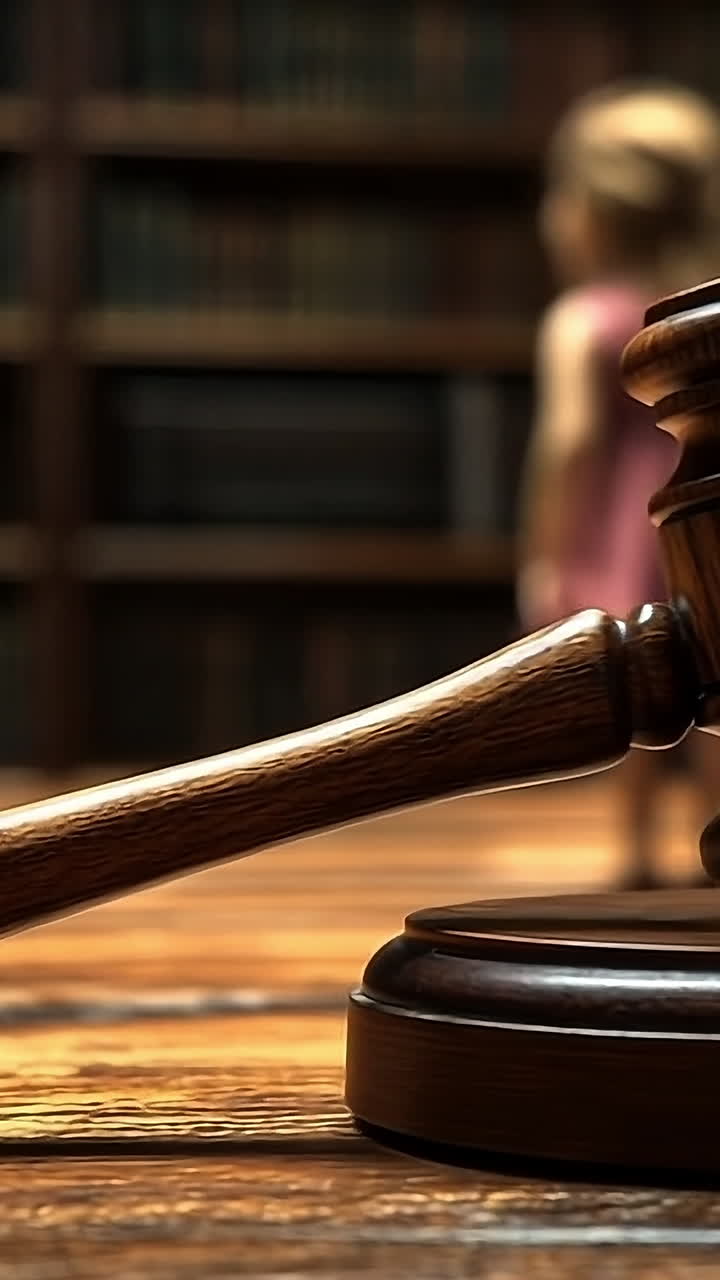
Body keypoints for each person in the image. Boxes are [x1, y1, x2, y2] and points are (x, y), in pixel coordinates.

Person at [518, 81, 720, 888]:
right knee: (712, 690)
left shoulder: (582, 318)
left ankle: (635, 852)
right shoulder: (700, 314)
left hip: (617, 530)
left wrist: (544, 551)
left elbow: (568, 444)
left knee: (632, 692)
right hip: (704, 528)